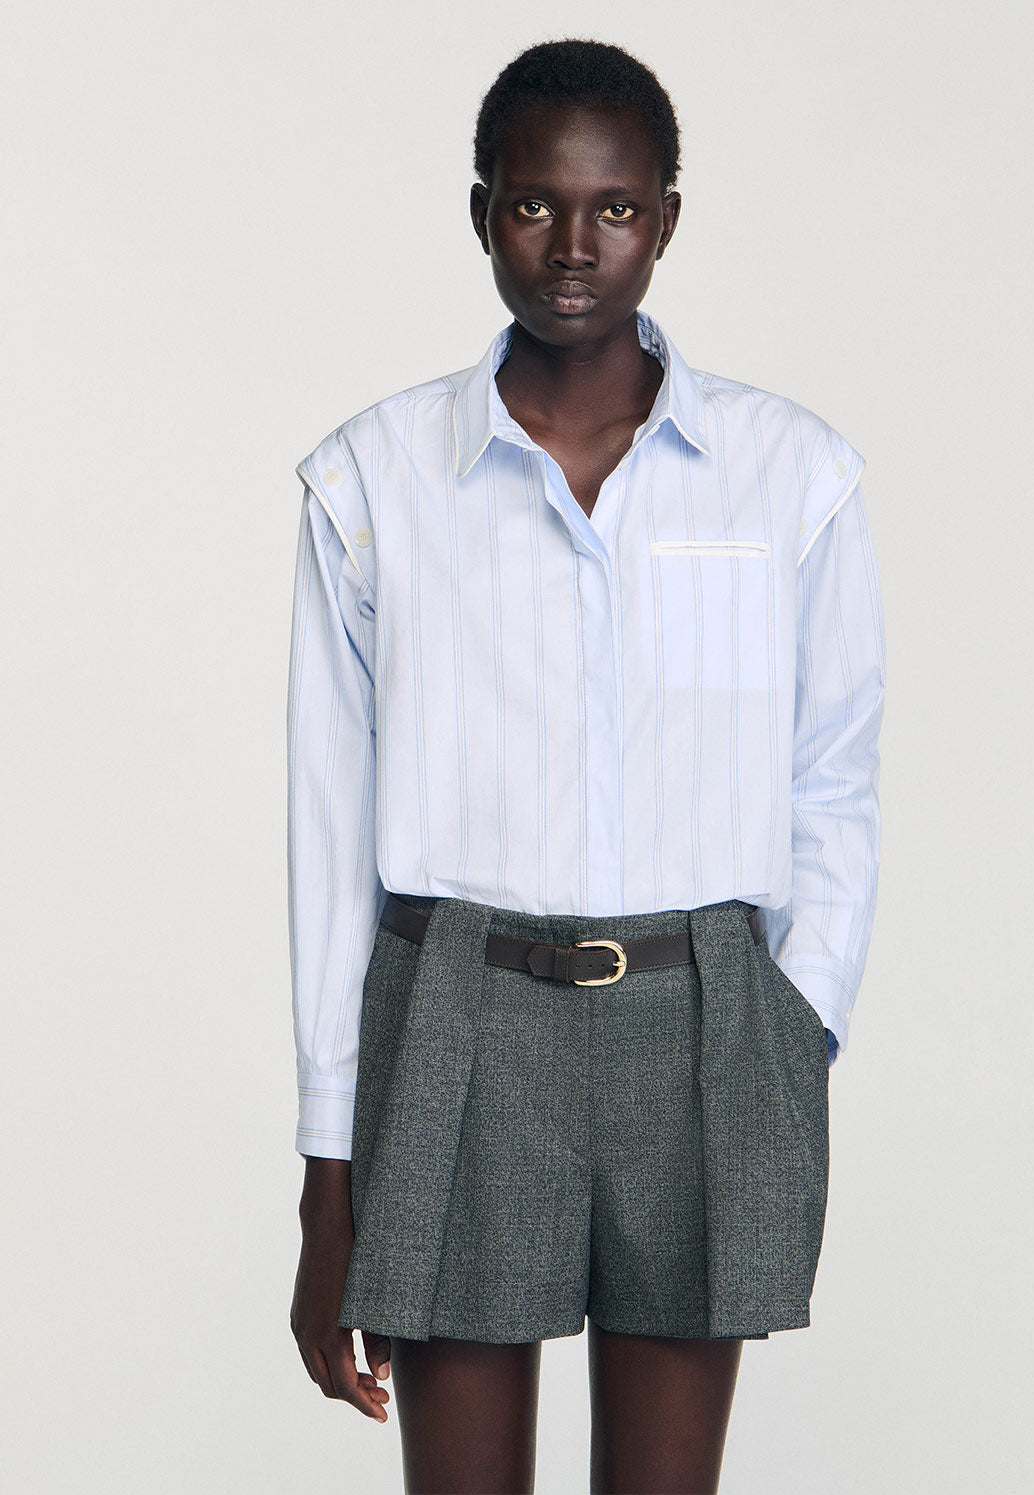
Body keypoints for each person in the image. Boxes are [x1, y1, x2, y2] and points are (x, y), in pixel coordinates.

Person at [287, 37, 885, 1495]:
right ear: (481, 213)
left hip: (707, 1020)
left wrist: (795, 1024)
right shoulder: (372, 481)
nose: (573, 246)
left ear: (665, 220)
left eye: (614, 208)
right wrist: (327, 1166)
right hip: (457, 1015)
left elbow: (833, 773)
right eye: (534, 205)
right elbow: (328, 828)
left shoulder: (791, 476)